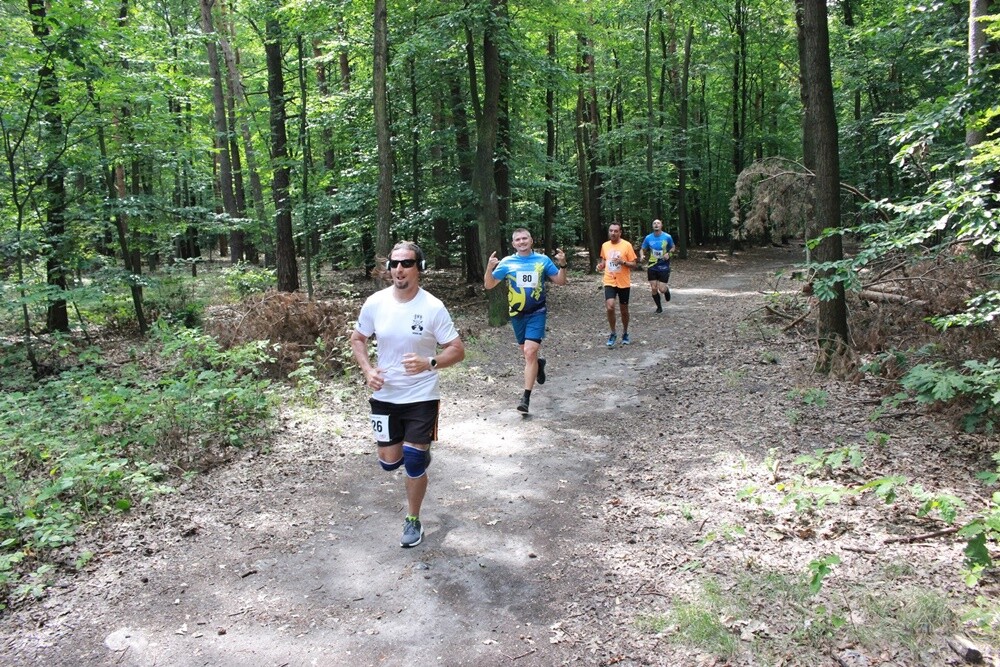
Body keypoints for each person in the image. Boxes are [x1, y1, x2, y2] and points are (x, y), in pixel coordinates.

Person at [350, 241, 465, 548]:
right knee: (389, 462)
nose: (399, 269)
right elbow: (358, 339)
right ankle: (418, 450)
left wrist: (430, 362)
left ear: (419, 269)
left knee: (413, 461)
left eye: (406, 263)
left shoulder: (432, 307)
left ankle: (413, 519)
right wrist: (367, 370)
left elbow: (457, 349)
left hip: (421, 395)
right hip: (385, 395)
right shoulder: (375, 302)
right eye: (394, 263)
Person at [484, 228, 568, 414]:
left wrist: (563, 265)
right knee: (526, 352)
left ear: (531, 241)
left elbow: (560, 281)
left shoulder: (543, 260)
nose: (522, 242)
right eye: (518, 240)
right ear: (513, 244)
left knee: (530, 352)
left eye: (525, 238)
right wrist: (490, 268)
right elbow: (489, 285)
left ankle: (525, 398)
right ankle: (539, 365)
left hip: (537, 312)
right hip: (517, 314)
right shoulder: (507, 262)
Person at [596, 220, 638, 348]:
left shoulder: (627, 245)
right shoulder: (605, 246)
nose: (613, 233)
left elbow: (634, 264)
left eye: (615, 231)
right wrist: (600, 266)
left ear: (620, 232)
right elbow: (604, 262)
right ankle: (613, 332)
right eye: (611, 231)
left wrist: (623, 262)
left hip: (623, 282)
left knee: (624, 310)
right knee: (610, 306)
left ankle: (625, 332)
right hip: (609, 280)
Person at [639, 219, 676, 313]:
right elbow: (642, 249)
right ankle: (659, 307)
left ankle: (666, 290)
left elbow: (673, 247)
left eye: (658, 223)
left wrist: (669, 254)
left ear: (661, 225)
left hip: (664, 265)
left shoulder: (667, 237)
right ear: (652, 226)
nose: (656, 225)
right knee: (654, 288)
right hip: (652, 265)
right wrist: (642, 255)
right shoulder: (648, 238)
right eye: (654, 223)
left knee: (661, 289)